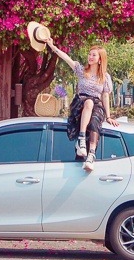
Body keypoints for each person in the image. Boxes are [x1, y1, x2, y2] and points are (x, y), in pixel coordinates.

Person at [45, 39, 119, 172]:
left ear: (100, 59)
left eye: (94, 55)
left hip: (96, 104)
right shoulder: (81, 70)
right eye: (89, 54)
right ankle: (81, 139)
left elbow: (105, 96)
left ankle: (91, 155)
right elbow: (66, 57)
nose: (90, 57)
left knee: (95, 121)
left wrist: (108, 117)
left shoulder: (105, 77)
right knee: (89, 102)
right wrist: (52, 46)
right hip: (80, 103)